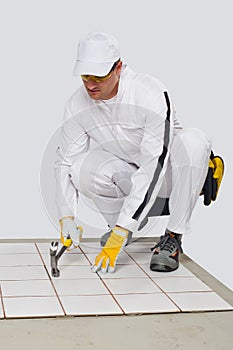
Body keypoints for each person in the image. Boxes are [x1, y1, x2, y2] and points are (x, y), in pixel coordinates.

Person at [55, 32, 217, 274]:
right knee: (82, 169)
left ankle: (172, 236)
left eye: (98, 76)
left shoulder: (149, 93)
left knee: (193, 141)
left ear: (118, 67)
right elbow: (65, 162)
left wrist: (124, 226)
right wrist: (66, 216)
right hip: (131, 174)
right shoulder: (76, 105)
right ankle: (125, 226)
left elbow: (154, 163)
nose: (90, 84)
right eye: (85, 75)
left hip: (172, 176)